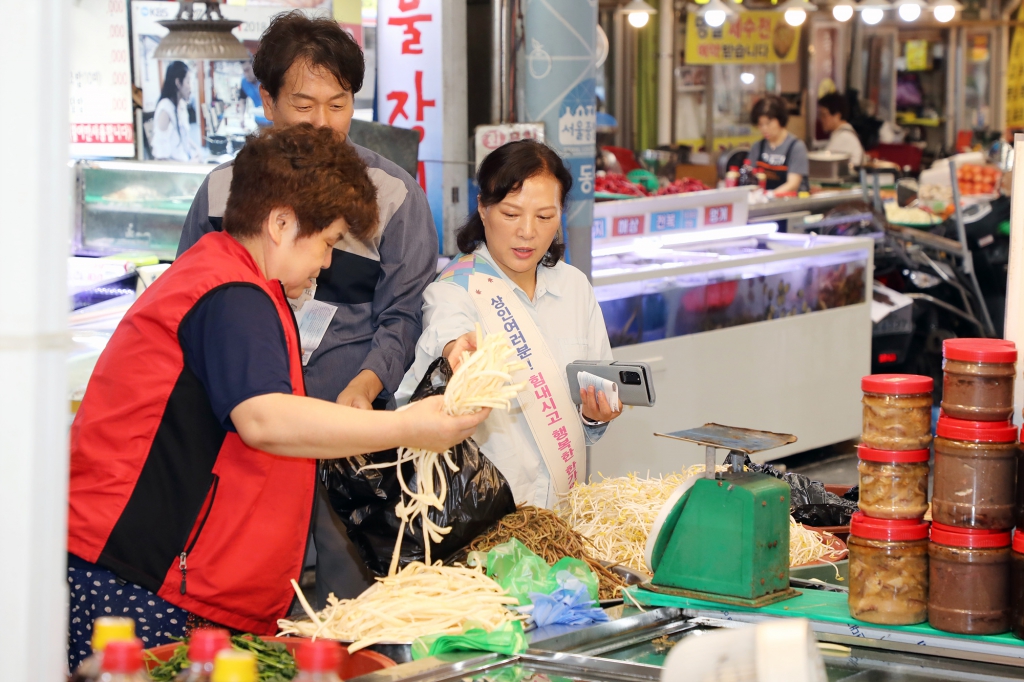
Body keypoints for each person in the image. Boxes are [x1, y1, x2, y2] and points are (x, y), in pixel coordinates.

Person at [66, 124, 488, 670]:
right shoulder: (230, 293)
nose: (329, 263)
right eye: (329, 242)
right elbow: (264, 419)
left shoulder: (235, 280)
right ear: (281, 223)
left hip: (171, 578)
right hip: (147, 581)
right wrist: (411, 427)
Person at [176, 12, 438, 605]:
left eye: (339, 104)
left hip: (352, 438)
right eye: (303, 104)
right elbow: (191, 301)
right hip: (243, 441)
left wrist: (368, 385)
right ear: (267, 100)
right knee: (245, 596)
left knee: (354, 607)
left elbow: (405, 314)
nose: (324, 123)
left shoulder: (394, 195)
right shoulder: (222, 192)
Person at [399, 140, 622, 508]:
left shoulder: (575, 288)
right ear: (483, 209)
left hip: (563, 513)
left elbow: (588, 409)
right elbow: (447, 332)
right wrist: (457, 351)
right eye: (511, 214)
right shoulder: (457, 290)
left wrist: (595, 417)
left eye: (545, 217)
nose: (528, 232)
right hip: (487, 518)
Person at [748, 95, 809, 194]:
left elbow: (793, 184)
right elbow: (750, 179)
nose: (764, 128)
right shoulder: (757, 147)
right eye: (760, 124)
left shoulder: (796, 147)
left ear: (780, 120)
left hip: (789, 205)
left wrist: (769, 196)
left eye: (768, 123)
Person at [152, 61, 199, 161]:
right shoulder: (165, 109)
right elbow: (160, 157)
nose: (191, 87)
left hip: (186, 161)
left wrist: (196, 149)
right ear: (178, 83)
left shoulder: (181, 105)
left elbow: (183, 135)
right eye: (188, 82)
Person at [817, 92, 864, 171]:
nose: (821, 119)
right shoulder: (841, 134)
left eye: (824, 114)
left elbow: (824, 166)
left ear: (837, 116)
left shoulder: (844, 137)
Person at [239, 58, 271, 127]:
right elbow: (242, 100)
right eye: (244, 71)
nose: (246, 74)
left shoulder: (266, 78)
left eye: (248, 70)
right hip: (259, 120)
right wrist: (242, 117)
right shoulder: (244, 82)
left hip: (274, 120)